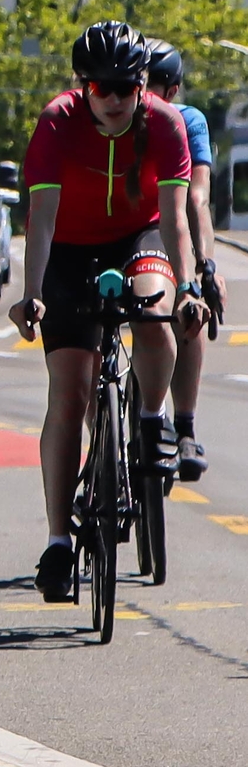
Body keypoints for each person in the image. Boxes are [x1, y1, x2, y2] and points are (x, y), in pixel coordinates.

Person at [9, 20, 202, 603]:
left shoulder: (165, 124)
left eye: (127, 87)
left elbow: (174, 220)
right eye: (102, 89)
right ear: (82, 86)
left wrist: (189, 286)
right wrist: (32, 291)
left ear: (144, 85)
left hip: (136, 236)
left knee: (158, 312)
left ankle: (149, 418)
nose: (116, 100)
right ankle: (57, 541)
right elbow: (40, 220)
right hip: (68, 249)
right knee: (69, 393)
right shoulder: (56, 123)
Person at [145, 39, 224, 480]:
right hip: (126, 234)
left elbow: (197, 199)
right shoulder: (117, 117)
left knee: (189, 308)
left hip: (169, 234)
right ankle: (106, 456)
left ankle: (186, 424)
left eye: (157, 87)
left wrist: (205, 265)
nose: (149, 96)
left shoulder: (188, 122)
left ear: (173, 91)